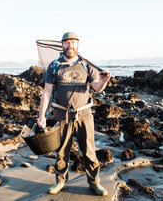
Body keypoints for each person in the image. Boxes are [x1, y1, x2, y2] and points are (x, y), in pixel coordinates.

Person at [37, 31, 111, 196]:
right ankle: (60, 182)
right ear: (62, 45)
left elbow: (97, 87)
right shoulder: (54, 66)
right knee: (62, 152)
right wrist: (41, 116)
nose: (70, 45)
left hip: (84, 115)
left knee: (89, 152)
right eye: (67, 42)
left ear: (78, 45)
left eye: (73, 42)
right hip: (61, 115)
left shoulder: (86, 65)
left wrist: (104, 80)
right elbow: (47, 91)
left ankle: (94, 183)